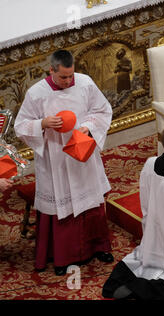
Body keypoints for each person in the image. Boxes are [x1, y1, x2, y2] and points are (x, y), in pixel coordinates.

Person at [14, 49, 113, 275]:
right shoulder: (36, 93)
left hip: (82, 153)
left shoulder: (85, 83)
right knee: (62, 206)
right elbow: (21, 126)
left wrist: (88, 126)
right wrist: (43, 123)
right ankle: (62, 257)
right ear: (51, 70)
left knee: (91, 201)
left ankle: (98, 247)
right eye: (63, 77)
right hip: (55, 158)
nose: (68, 81)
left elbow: (102, 110)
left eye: (71, 76)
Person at [102, 124, 164, 300]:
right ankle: (136, 290)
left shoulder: (150, 163)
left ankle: (121, 280)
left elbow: (145, 196)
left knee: (143, 261)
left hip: (154, 229)